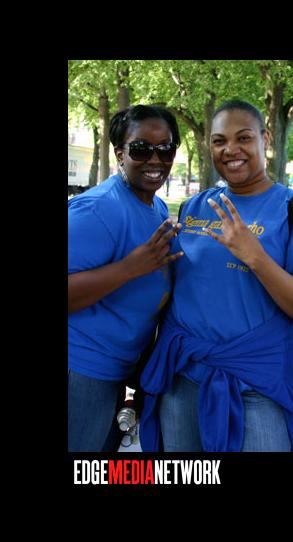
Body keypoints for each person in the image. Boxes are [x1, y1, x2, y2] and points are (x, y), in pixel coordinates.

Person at [138, 100, 293, 452]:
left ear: (265, 139)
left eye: (243, 138)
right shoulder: (194, 206)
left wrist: (255, 256)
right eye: (219, 141)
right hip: (183, 378)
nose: (230, 149)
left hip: (256, 386)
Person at [68, 104, 184, 452]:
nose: (155, 159)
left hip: (121, 369)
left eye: (165, 149)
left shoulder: (156, 207)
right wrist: (129, 268)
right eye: (141, 149)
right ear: (120, 154)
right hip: (82, 368)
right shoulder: (97, 209)